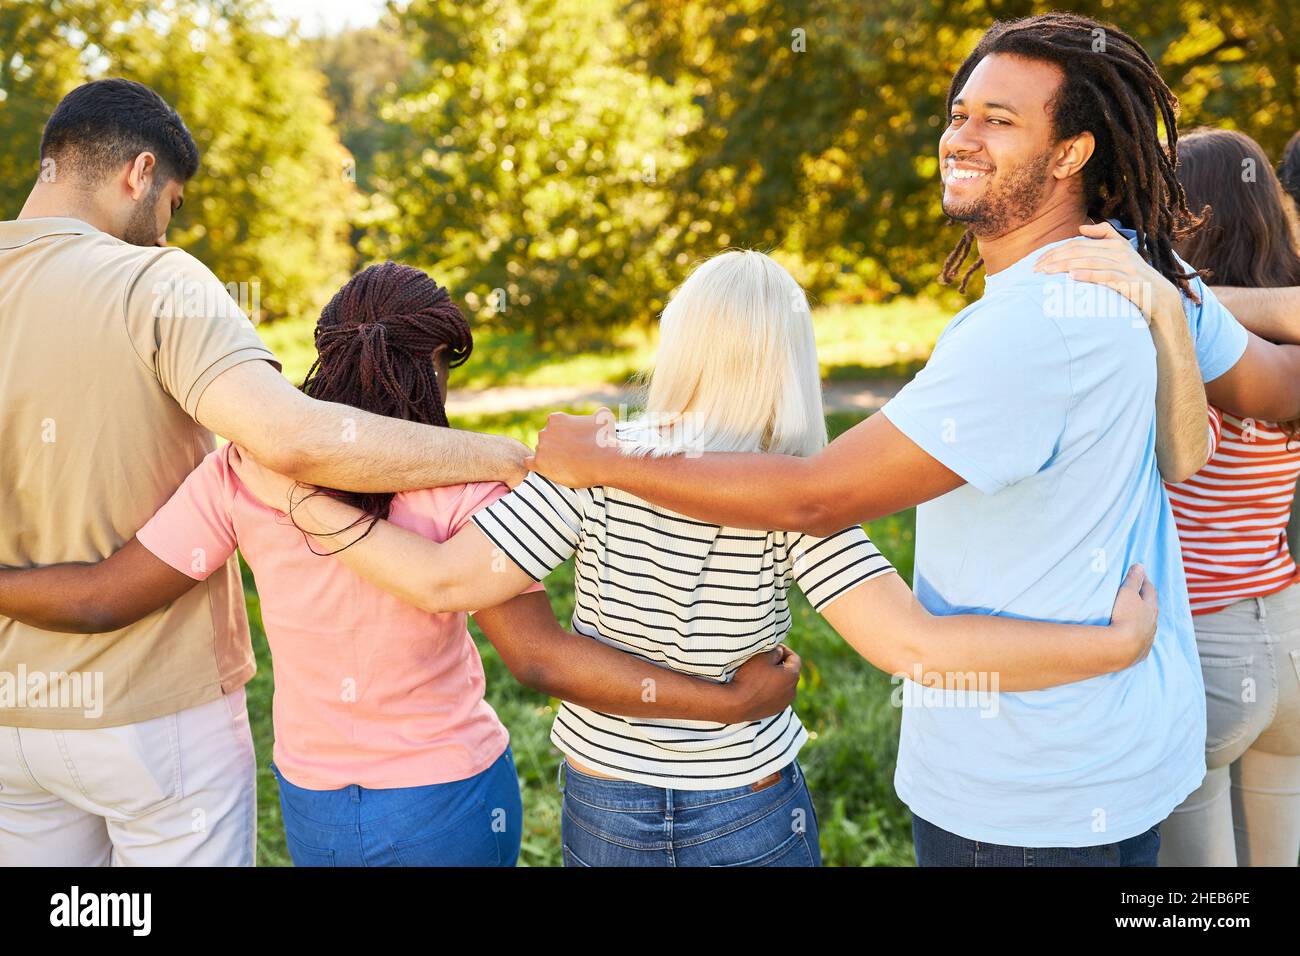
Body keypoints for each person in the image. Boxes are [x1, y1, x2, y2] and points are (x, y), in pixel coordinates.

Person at [524, 14, 1300, 866]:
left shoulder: (1031, 327)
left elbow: (816, 495)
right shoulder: (1138, 265)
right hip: (1124, 755)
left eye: (999, 120)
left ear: (1073, 152)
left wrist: (599, 458)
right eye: (959, 113)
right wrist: (1181, 300)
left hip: (1020, 789)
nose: (959, 136)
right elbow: (1262, 399)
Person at [229, 249, 1158, 868]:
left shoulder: (597, 461)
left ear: (681, 339)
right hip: (746, 799)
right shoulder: (797, 490)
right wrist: (1107, 648)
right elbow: (914, 647)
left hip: (606, 801)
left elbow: (442, 581)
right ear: (790, 357)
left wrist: (301, 492)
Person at [0, 261, 804, 866]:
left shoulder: (243, 472)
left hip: (311, 794)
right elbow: (538, 655)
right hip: (447, 792)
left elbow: (103, 597)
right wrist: (725, 700)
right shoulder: (468, 481)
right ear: (433, 366)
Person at [0, 78, 530, 867]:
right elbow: (295, 439)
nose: (163, 231)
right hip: (157, 720)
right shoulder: (158, 281)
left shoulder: (228, 487)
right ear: (140, 173)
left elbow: (104, 591)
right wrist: (512, 455)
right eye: (173, 205)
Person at [1149, 129, 1300, 866]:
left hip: (1206, 639)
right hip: (1288, 632)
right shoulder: (1288, 347)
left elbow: (1180, 461)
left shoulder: (1194, 350)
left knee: (1196, 901)